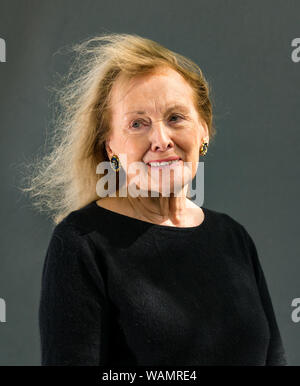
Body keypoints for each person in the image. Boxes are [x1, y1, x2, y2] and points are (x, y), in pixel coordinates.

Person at [23, 33, 287, 365]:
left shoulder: (232, 236)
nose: (160, 140)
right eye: (137, 124)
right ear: (111, 149)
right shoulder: (81, 243)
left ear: (203, 130)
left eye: (175, 118)